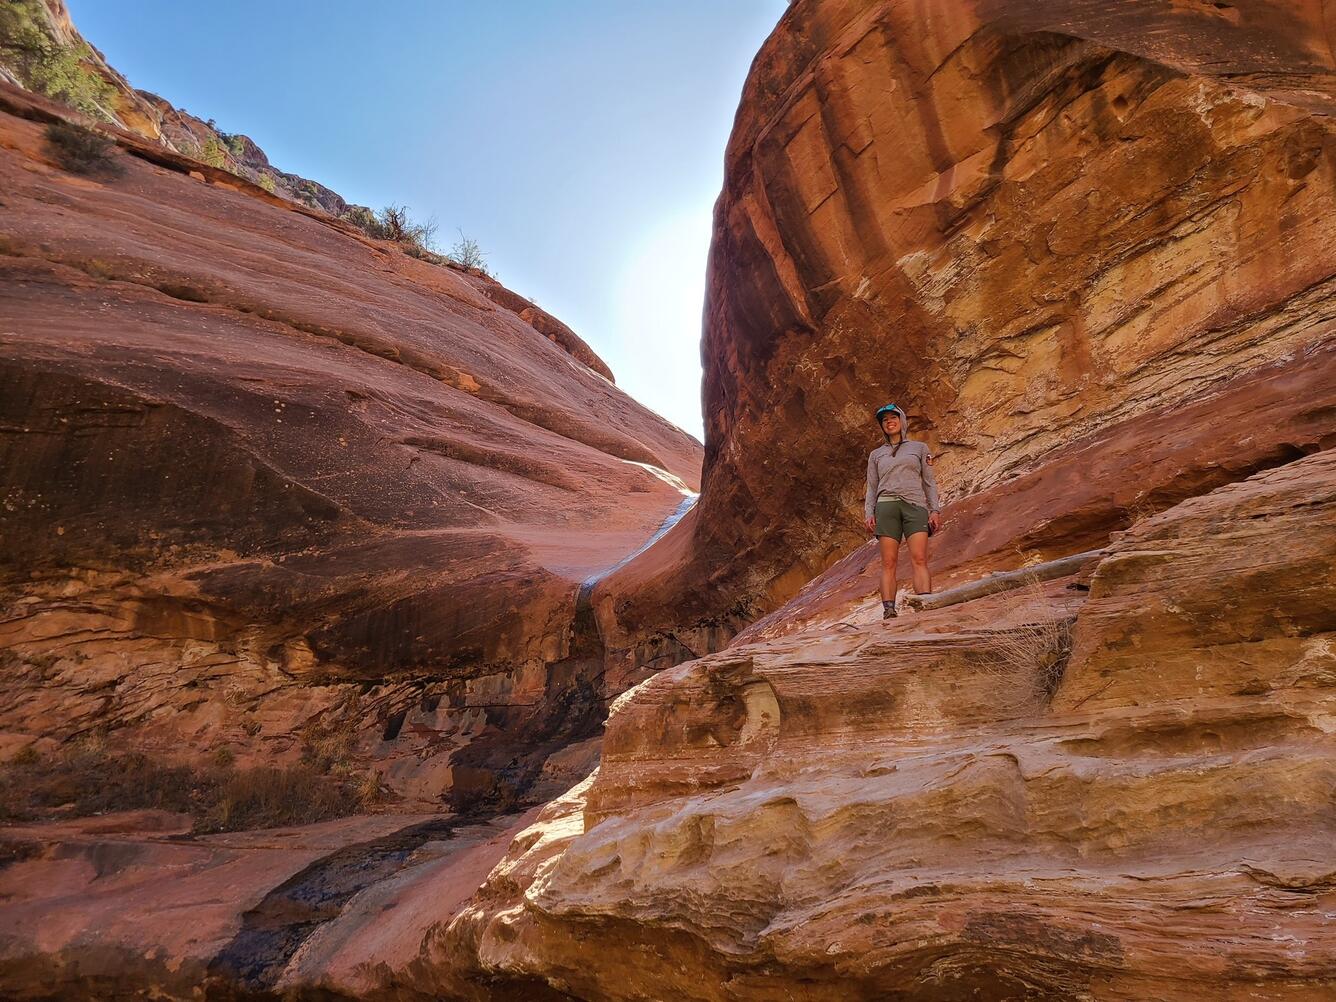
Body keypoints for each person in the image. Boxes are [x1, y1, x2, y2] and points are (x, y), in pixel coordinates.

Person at [863, 403, 942, 619]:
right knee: (889, 562)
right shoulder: (876, 455)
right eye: (884, 420)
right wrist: (869, 513)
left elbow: (929, 482)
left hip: (915, 505)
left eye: (893, 417)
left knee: (919, 558)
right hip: (887, 506)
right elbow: (872, 486)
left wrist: (934, 510)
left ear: (902, 420)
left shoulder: (919, 449)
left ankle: (924, 604)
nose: (889, 421)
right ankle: (889, 610)